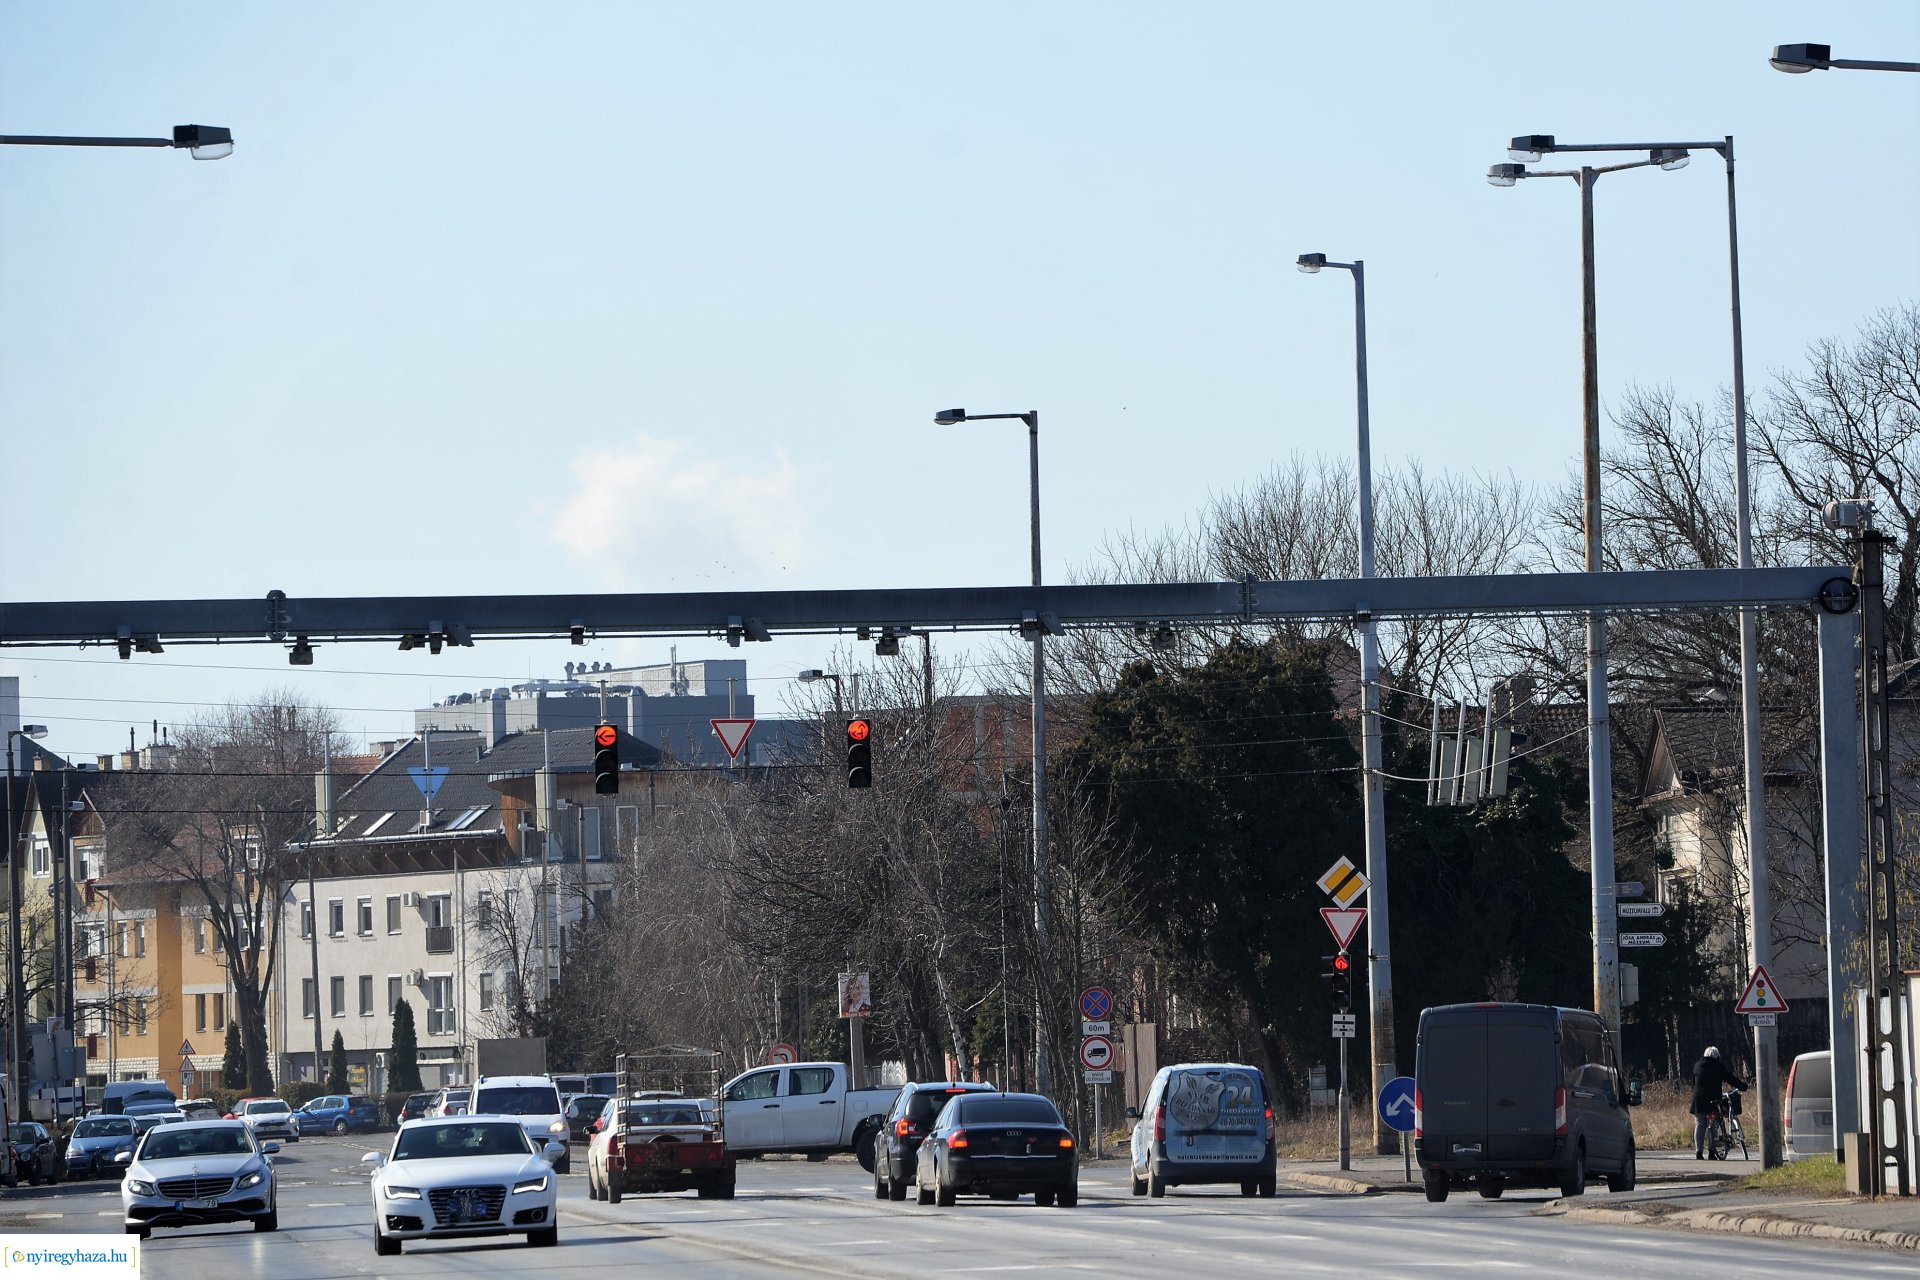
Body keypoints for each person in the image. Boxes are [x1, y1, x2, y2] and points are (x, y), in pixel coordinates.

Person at [1690, 1046, 1750, 1159]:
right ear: (1717, 1057)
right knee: (1713, 1125)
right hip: (1713, 1100)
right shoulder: (1717, 1066)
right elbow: (1729, 1078)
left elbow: (1694, 1082)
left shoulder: (1697, 1065)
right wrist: (1742, 1086)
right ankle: (1712, 1152)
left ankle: (1698, 1152)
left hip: (1698, 1100)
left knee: (1700, 1124)